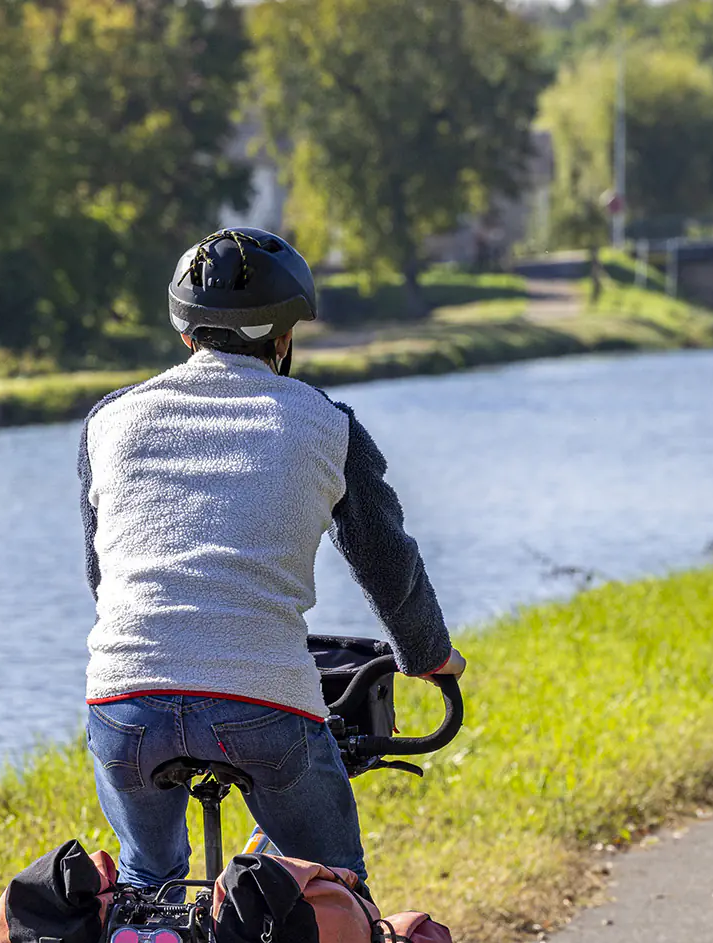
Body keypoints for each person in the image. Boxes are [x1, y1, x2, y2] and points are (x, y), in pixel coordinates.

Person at [76, 227, 465, 892]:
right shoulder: (326, 424)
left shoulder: (108, 421)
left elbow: (103, 574)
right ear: (283, 339)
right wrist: (427, 654)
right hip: (259, 700)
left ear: (186, 334)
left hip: (124, 696)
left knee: (147, 878)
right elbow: (385, 561)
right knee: (332, 886)